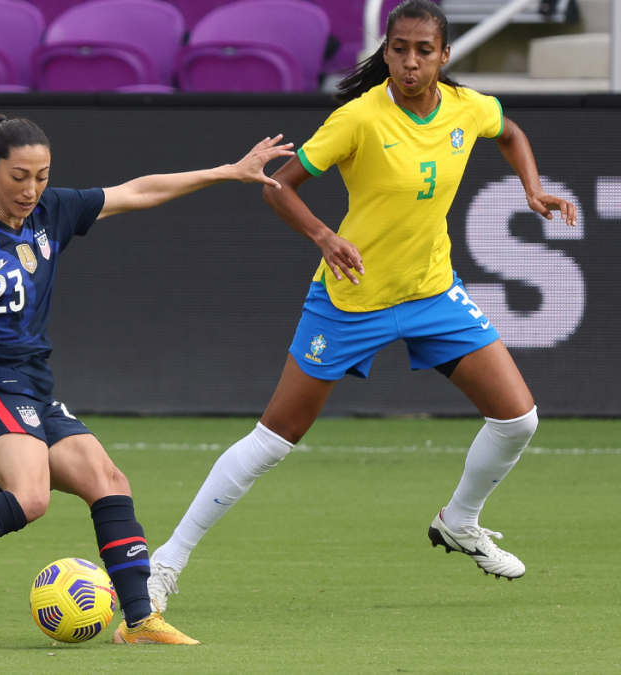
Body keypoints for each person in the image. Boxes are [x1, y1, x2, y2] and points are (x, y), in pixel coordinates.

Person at [145, 0, 577, 615]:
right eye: (398, 48)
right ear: (386, 53)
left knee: (518, 421)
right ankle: (166, 562)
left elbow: (509, 131)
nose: (409, 61)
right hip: (351, 302)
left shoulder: (466, 107)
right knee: (274, 439)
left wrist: (531, 189)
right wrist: (324, 237)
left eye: (423, 50)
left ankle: (459, 521)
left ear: (444, 56)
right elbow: (281, 186)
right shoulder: (358, 117)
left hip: (432, 293)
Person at [0, 67, 293, 645]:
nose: (31, 189)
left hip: (33, 390)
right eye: (19, 176)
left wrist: (227, 171)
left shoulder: (52, 214)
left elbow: (138, 190)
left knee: (108, 479)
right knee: (30, 497)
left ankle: (140, 620)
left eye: (41, 176)